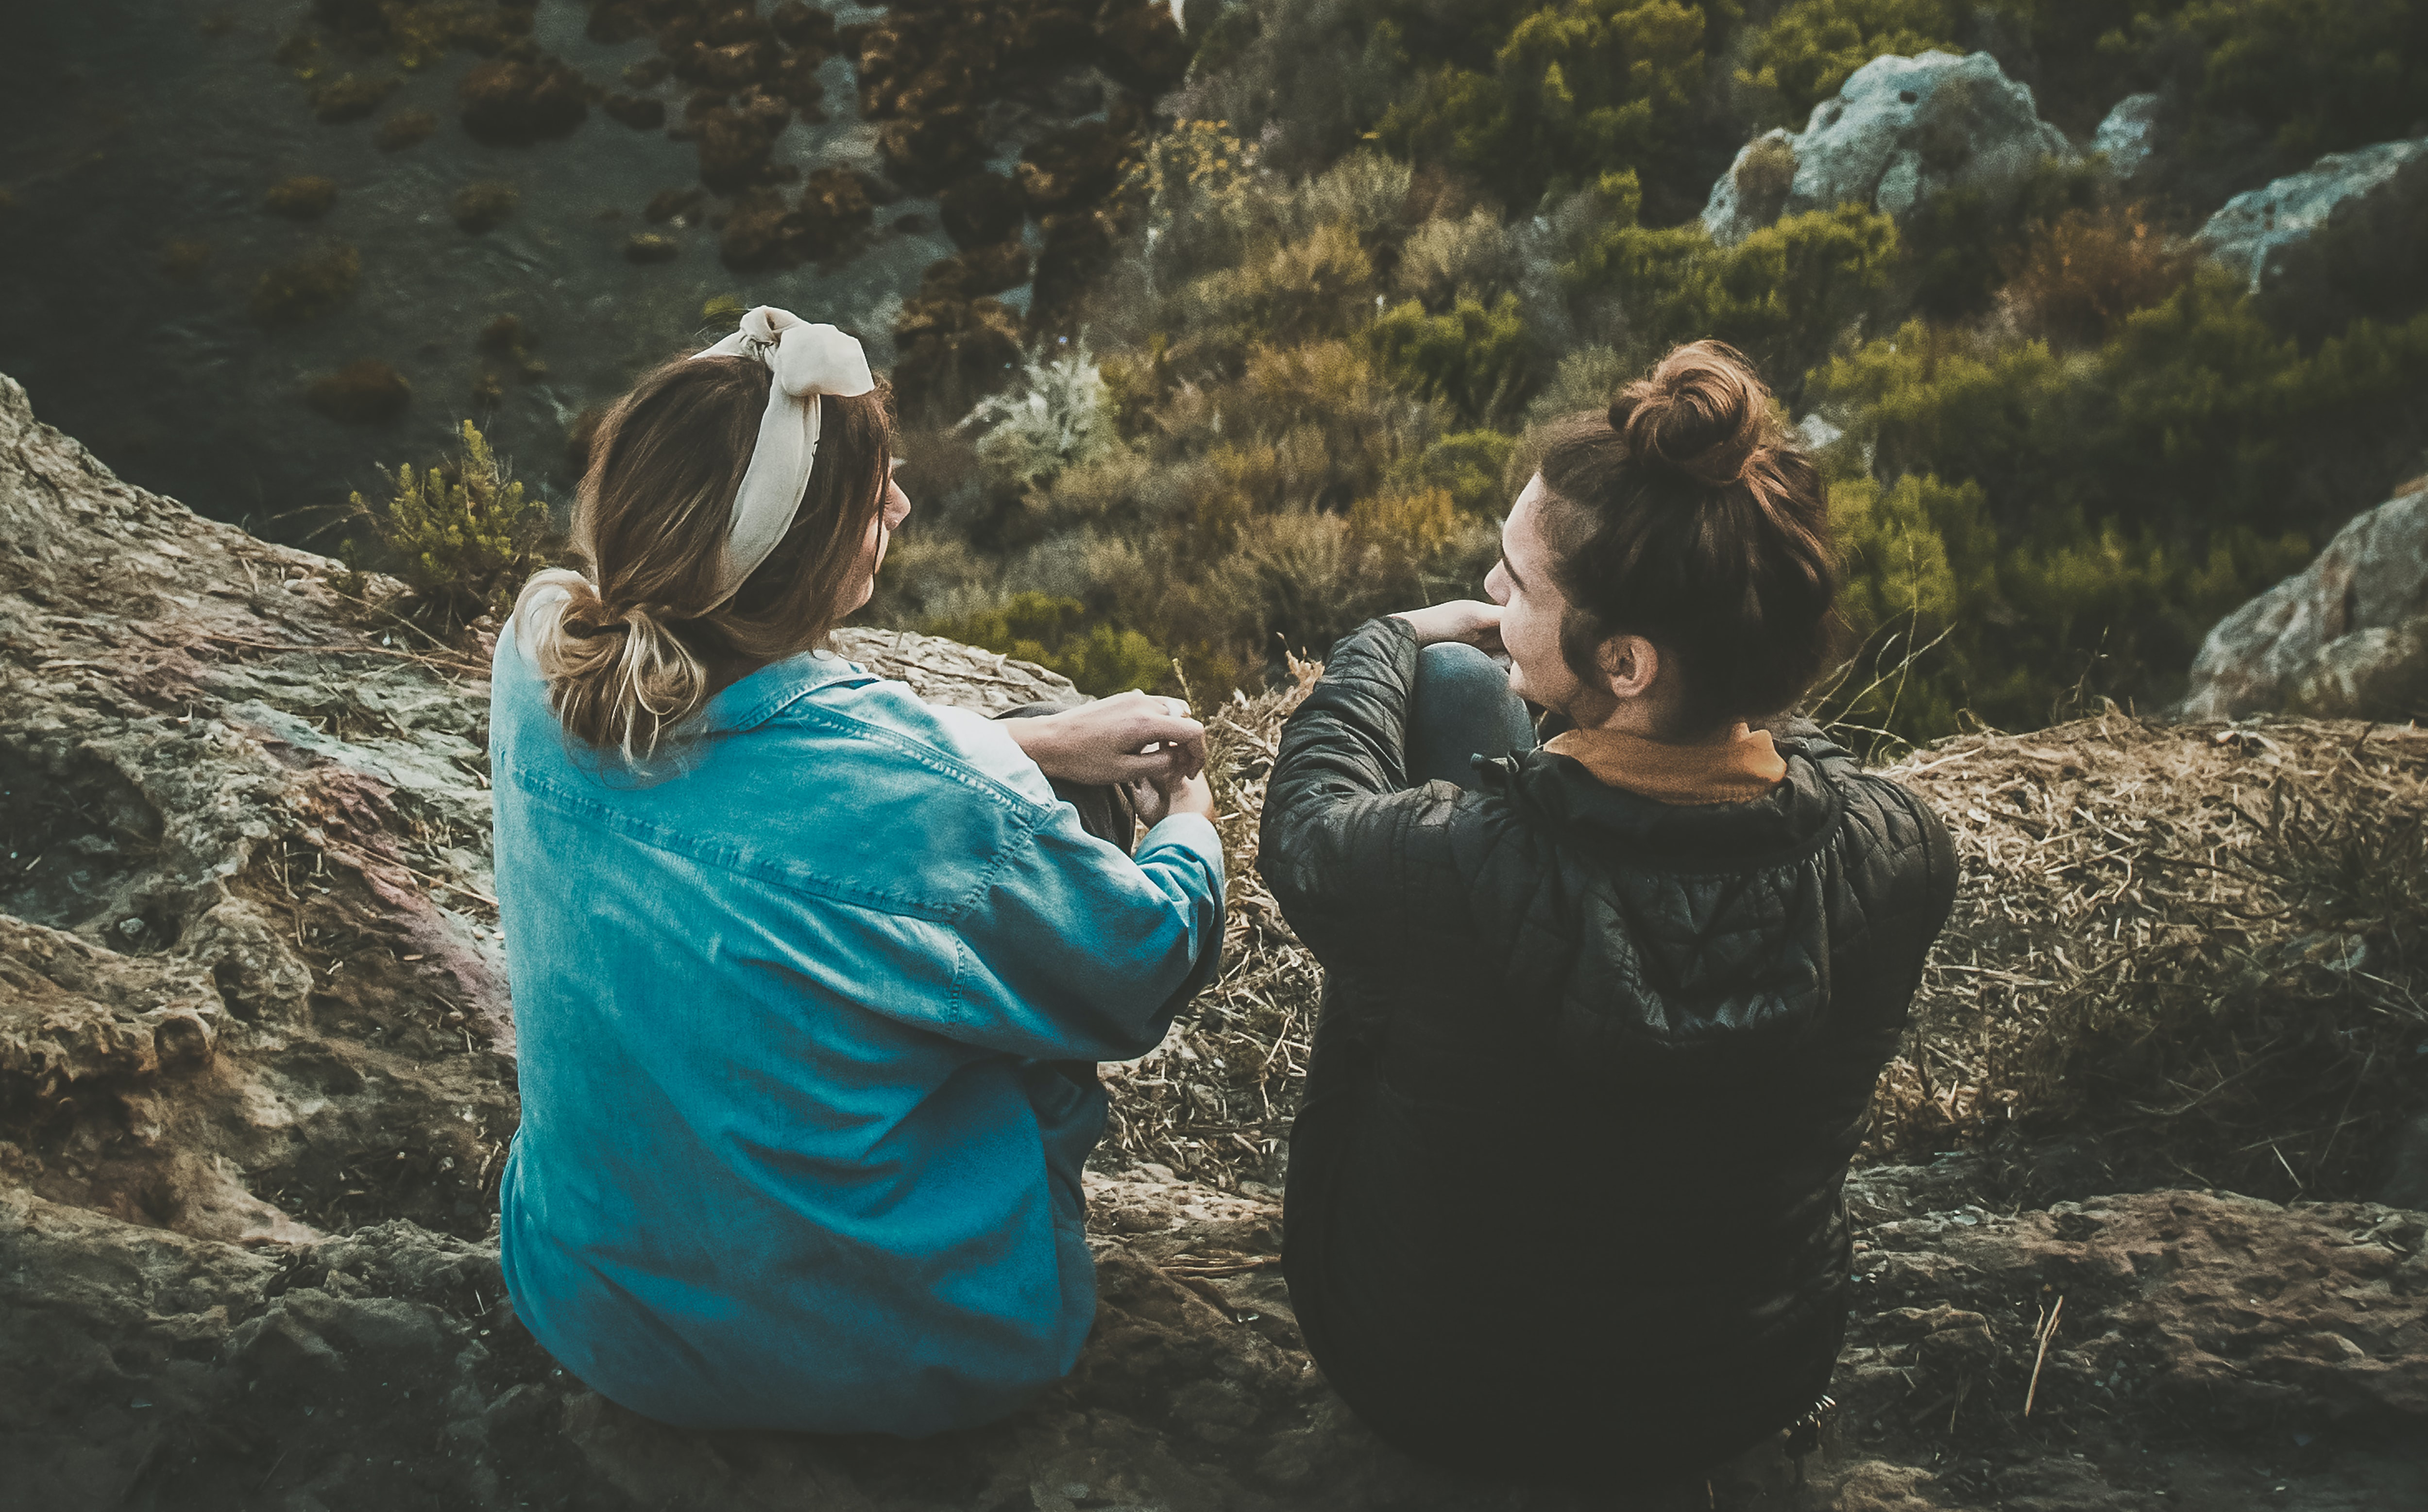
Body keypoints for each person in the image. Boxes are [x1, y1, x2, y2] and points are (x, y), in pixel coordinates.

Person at [489, 307, 1225, 1436]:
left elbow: (768, 787)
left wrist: (1029, 745)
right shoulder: (929, 798)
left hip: (592, 1311)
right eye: (870, 496)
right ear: (799, 561)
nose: (901, 505)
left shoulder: (536, 650)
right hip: (887, 1358)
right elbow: (1143, 966)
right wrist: (1187, 817)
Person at [1257, 340, 1959, 1484]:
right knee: (1478, 711)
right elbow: (1790, 765)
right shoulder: (1903, 855)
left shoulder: (1436, 867)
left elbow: (1307, 819)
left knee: (1448, 688)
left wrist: (1385, 641)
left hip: (1433, 1382)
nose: (1489, 595)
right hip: (1740, 1383)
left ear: (1626, 660)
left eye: (1515, 583)